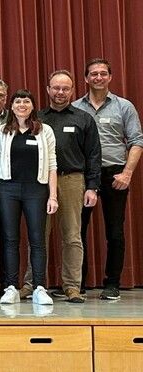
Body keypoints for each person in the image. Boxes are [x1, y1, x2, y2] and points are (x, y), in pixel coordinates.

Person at [73, 58, 143, 300]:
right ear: (86, 78)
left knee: (114, 231)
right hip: (83, 176)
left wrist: (127, 173)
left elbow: (137, 141)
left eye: (103, 73)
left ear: (110, 77)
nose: (98, 77)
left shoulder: (124, 106)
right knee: (77, 230)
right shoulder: (75, 108)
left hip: (115, 174)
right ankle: (77, 283)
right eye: (93, 74)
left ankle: (112, 283)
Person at [30, 70, 101, 303]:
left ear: (72, 91)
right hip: (40, 182)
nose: (60, 92)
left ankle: (72, 286)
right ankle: (32, 284)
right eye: (56, 88)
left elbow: (94, 155)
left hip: (72, 180)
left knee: (72, 235)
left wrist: (92, 187)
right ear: (48, 90)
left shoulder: (83, 119)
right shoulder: (36, 118)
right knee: (38, 235)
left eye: (65, 88)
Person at [0, 90, 58, 305]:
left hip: (36, 190)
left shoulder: (45, 130)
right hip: (7, 189)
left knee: (37, 240)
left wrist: (53, 196)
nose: (22, 105)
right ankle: (11, 287)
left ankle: (39, 287)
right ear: (11, 106)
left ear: (33, 105)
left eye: (26, 101)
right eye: (17, 101)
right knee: (10, 240)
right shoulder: (1, 131)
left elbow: (52, 164)